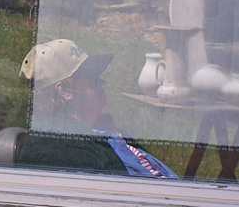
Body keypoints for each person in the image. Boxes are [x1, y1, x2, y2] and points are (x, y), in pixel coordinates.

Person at [14, 38, 176, 178]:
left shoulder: (96, 134)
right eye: (92, 79)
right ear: (65, 91)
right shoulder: (68, 152)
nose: (102, 83)